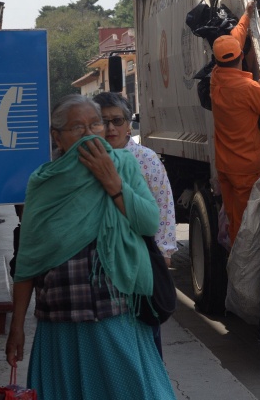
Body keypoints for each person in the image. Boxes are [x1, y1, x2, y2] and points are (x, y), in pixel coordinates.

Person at [5, 95, 174, 399]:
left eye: (94, 124)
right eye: (76, 127)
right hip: (60, 320)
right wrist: (16, 325)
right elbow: (28, 258)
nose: (89, 132)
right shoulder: (43, 183)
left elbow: (149, 223)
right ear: (57, 137)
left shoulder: (123, 165)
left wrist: (113, 182)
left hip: (115, 313)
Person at [93, 91, 176, 357]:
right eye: (102, 121)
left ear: (129, 124)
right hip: (101, 263)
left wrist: (163, 253)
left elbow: (163, 207)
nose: (110, 128)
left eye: (117, 121)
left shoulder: (146, 160)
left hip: (141, 259)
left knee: (145, 330)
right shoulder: (88, 159)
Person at [211, 0, 260, 246]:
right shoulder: (248, 88)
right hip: (247, 168)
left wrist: (246, 14)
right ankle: (246, 276)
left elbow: (235, 36)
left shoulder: (215, 79)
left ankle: (235, 269)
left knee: (234, 221)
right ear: (241, 56)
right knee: (247, 227)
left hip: (226, 166)